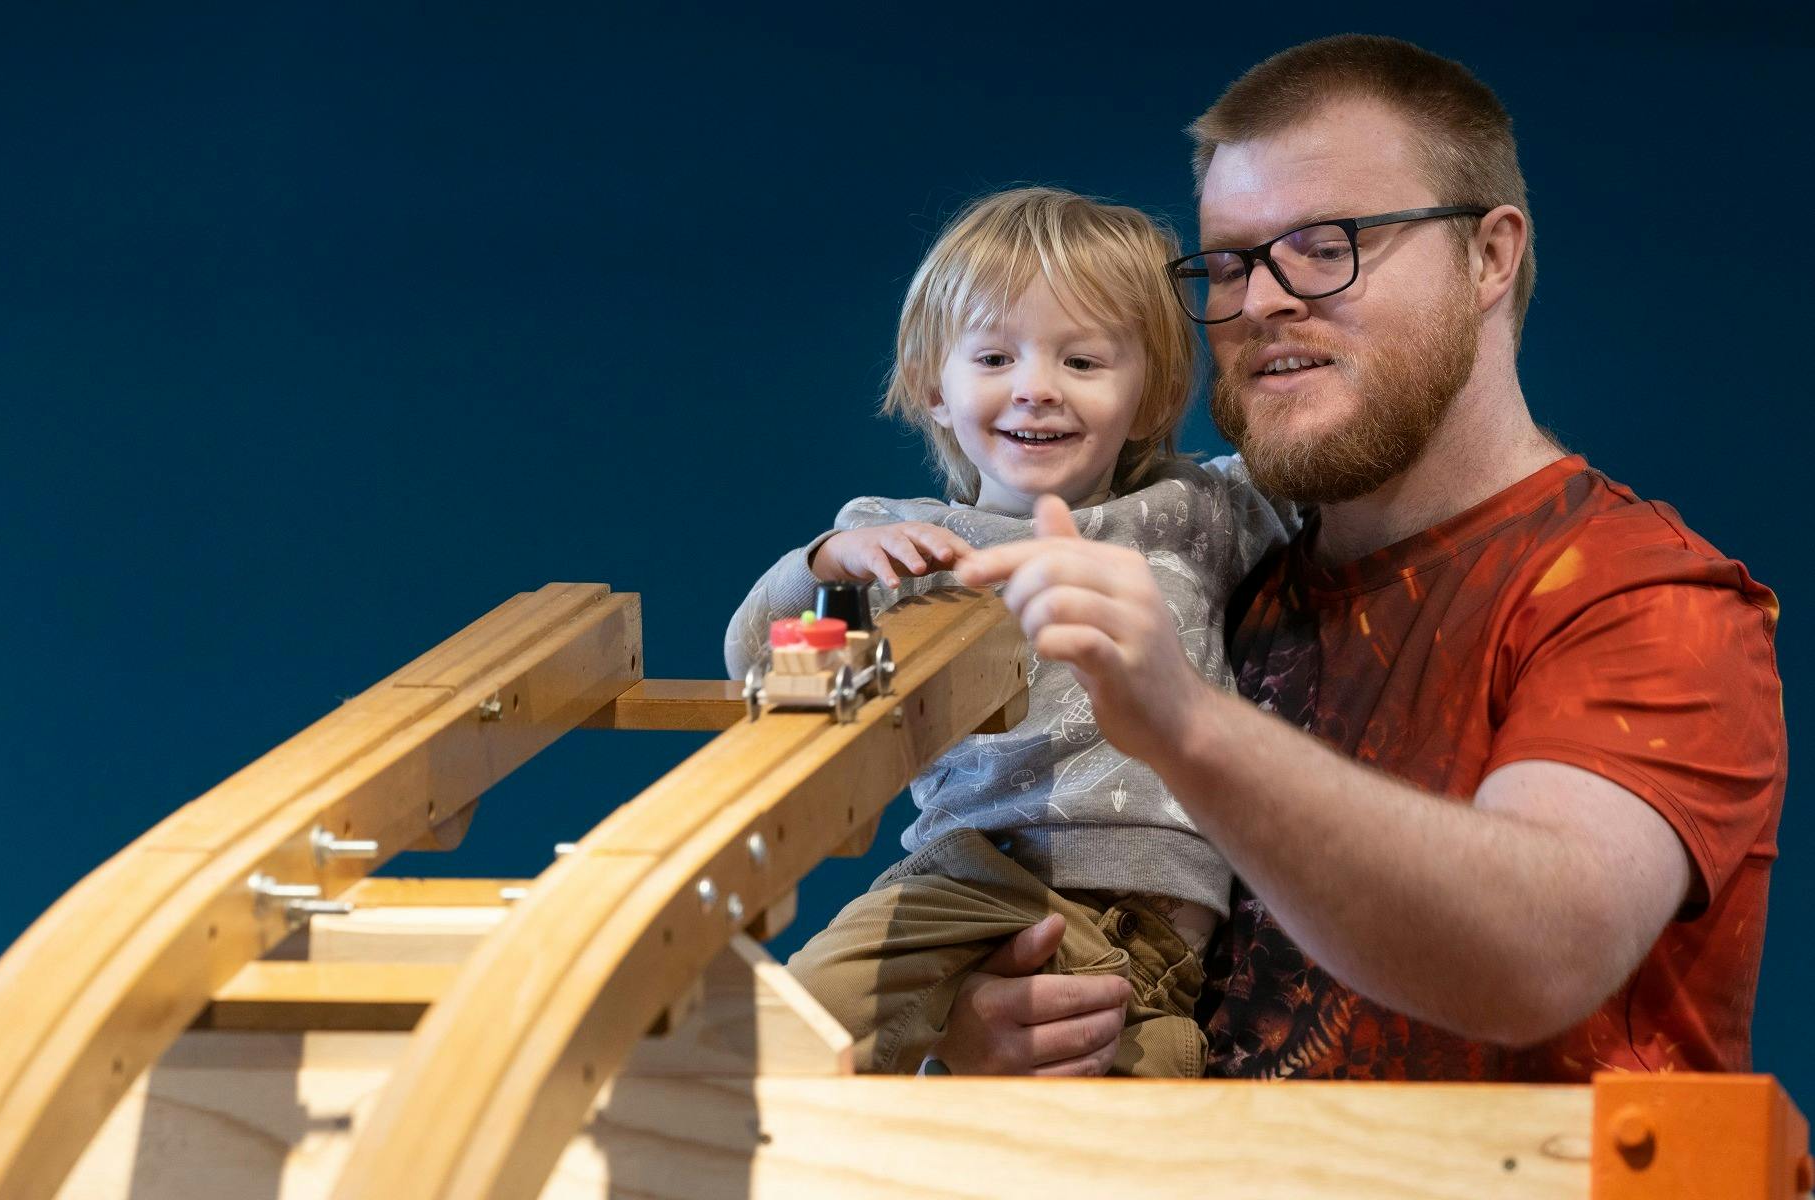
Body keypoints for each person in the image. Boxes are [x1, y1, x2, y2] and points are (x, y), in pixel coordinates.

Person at [941, 34, 1786, 1081]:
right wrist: (1001, 1029)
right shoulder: (1221, 592)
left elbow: (1537, 955)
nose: (1260, 303)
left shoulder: (1643, 601)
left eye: (1326, 245)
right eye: (1234, 262)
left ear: (1489, 255)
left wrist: (1189, 725)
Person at [724, 186, 1294, 1076]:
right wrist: (828, 562)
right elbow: (761, 663)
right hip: (963, 882)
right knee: (794, 1025)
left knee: (1154, 1116)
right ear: (933, 390)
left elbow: (1352, 476)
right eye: (993, 356)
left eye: (1083, 361)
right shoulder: (902, 541)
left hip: (1154, 934)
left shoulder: (1199, 512)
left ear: (1149, 397)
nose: (1036, 387)